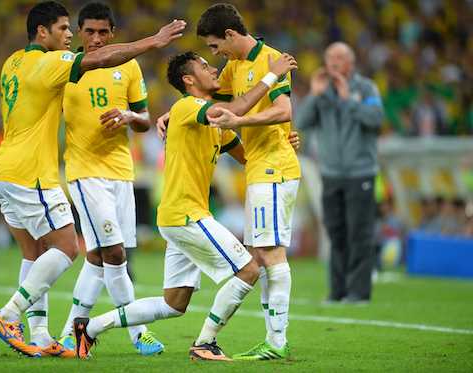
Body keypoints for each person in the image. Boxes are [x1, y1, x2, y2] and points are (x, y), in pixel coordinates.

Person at [0, 0, 186, 358]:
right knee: (69, 248)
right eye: (66, 29)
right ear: (43, 32)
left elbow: (137, 111)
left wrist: (128, 115)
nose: (70, 36)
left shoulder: (12, 61)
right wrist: (154, 41)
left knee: (38, 253)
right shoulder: (50, 64)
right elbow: (99, 60)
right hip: (34, 172)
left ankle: (45, 336)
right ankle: (9, 314)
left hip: (6, 170)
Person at [72, 51, 298, 361]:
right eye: (205, 65)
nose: (214, 67)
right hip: (186, 214)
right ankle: (205, 343)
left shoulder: (209, 120)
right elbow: (237, 108)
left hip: (179, 215)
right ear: (189, 79)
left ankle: (90, 328)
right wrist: (272, 75)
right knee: (248, 269)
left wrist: (284, 143)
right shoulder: (188, 107)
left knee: (174, 304)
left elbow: (248, 157)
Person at [195, 3, 301, 360]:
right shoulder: (234, 67)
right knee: (263, 254)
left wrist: (240, 124)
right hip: (259, 168)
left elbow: (283, 111)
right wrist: (168, 114)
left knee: (271, 254)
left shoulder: (271, 59)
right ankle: (273, 339)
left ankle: (276, 340)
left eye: (214, 47)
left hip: (274, 167)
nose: (215, 55)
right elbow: (209, 102)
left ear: (229, 34)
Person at [57, 2, 163, 356]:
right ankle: (139, 333)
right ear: (79, 32)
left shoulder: (128, 66)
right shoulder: (67, 68)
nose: (97, 39)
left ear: (113, 33)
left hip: (121, 172)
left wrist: (129, 116)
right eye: (90, 32)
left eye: (104, 32)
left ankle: (70, 334)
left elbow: (146, 119)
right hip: (84, 172)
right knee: (115, 253)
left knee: (101, 258)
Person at [295, 42, 384, 303]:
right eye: (330, 57)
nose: (333, 61)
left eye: (339, 57)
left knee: (359, 232)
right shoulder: (322, 92)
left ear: (350, 63)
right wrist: (314, 93)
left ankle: (358, 292)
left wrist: (348, 100)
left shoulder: (365, 87)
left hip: (360, 172)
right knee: (335, 232)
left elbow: (376, 119)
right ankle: (337, 291)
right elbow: (301, 123)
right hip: (331, 173)